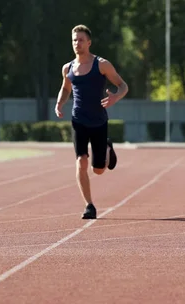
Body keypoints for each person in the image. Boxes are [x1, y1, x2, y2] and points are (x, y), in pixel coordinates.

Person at [54, 24, 129, 219]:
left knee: (99, 170)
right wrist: (59, 103)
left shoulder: (101, 64)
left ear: (89, 42)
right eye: (73, 40)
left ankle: (107, 148)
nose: (76, 43)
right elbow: (65, 88)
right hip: (78, 120)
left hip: (98, 121)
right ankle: (89, 205)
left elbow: (123, 86)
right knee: (81, 161)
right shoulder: (68, 68)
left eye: (80, 40)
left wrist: (115, 97)